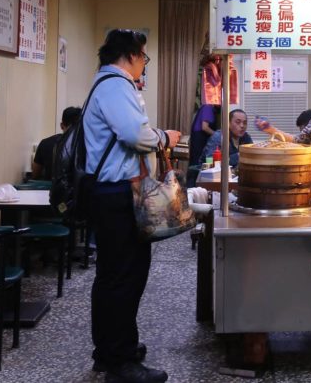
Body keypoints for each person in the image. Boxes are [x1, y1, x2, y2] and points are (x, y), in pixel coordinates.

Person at [83, 29, 180, 383]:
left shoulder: (110, 84)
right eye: (144, 57)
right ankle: (120, 362)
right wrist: (163, 137)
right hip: (115, 195)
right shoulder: (114, 84)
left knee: (116, 275)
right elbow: (134, 135)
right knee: (123, 276)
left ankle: (111, 350)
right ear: (131, 55)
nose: (144, 65)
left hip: (112, 193)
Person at [31, 106, 81, 180]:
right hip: (78, 190)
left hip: (50, 189)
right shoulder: (86, 145)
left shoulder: (45, 143)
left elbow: (35, 175)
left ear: (61, 125)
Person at [185, 103, 219, 188]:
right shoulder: (208, 107)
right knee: (198, 164)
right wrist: (218, 135)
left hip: (200, 139)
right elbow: (204, 127)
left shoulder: (210, 108)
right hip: (200, 139)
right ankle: (193, 188)